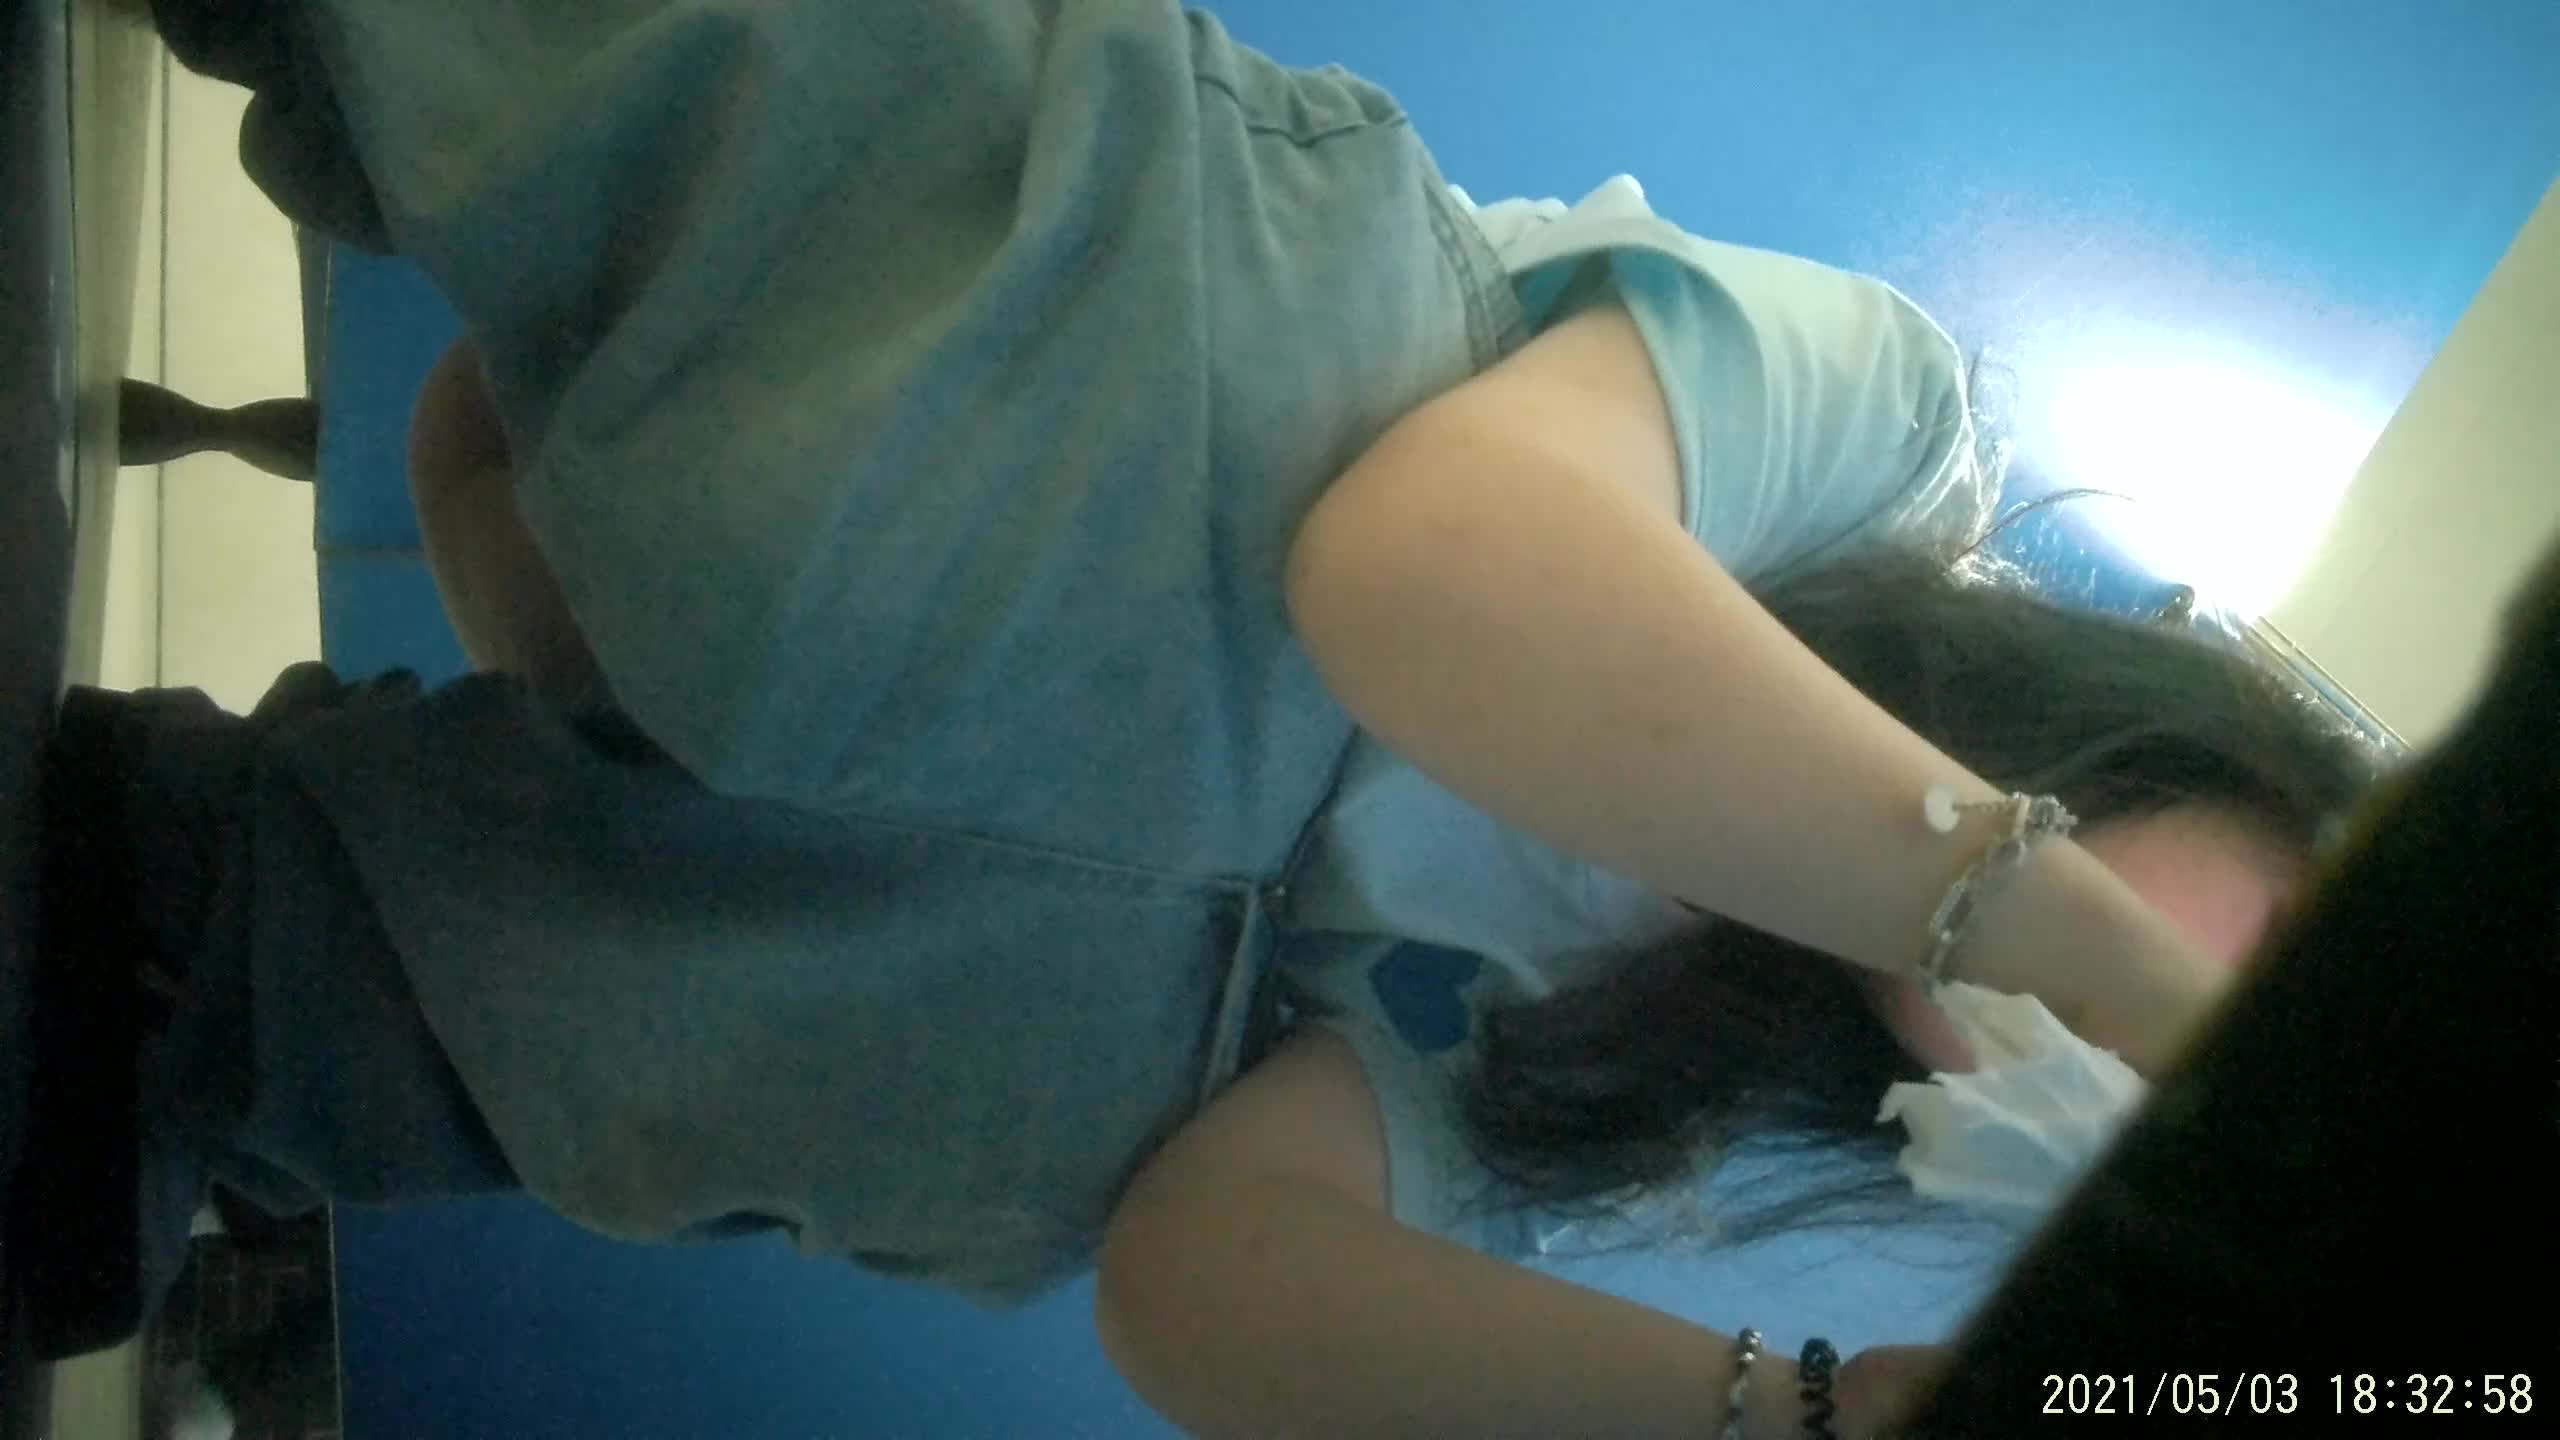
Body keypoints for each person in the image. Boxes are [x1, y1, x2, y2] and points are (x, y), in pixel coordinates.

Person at [37, 2, 2379, 1435]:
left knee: (1067, 1108)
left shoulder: (1662, 1098)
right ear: (2209, 773)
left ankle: (193, 960)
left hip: (867, 689)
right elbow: (1415, 574)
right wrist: (2050, 928)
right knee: (1242, 449)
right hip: (1068, 383)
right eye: (2267, 995)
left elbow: (1193, 1278)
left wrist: (1802, 1414)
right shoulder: (1884, 432)